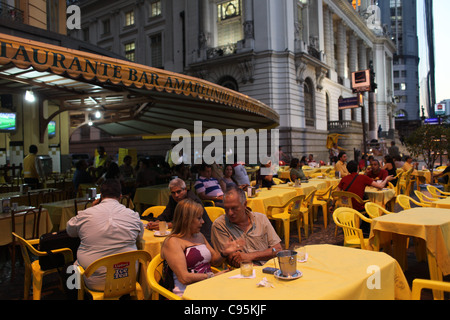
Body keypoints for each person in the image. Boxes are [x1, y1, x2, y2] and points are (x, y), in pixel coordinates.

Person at [66, 179, 144, 292]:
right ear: (120, 196)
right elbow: (139, 237)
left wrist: (92, 208)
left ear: (101, 195)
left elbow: (70, 231)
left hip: (95, 281)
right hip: (127, 278)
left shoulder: (86, 214)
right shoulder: (133, 215)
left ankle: (78, 295)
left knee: (68, 269)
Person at [160, 198, 239, 297]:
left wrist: (224, 252)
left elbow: (215, 262)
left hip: (207, 286)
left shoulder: (199, 236)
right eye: (199, 218)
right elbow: (184, 278)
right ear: (186, 220)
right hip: (187, 293)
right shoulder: (172, 242)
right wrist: (212, 276)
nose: (202, 222)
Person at [211, 186, 282, 268]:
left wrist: (250, 256)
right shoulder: (220, 225)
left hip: (269, 267)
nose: (230, 213)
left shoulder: (261, 219)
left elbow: (278, 249)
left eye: (234, 208)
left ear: (245, 204)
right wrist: (260, 270)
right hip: (243, 273)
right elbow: (234, 260)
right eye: (226, 209)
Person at [147, 178, 213, 243]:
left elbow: (185, 222)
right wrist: (156, 222)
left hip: (202, 236)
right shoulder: (173, 199)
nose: (176, 195)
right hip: (186, 235)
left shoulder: (193, 201)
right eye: (173, 193)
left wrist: (164, 225)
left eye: (179, 192)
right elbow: (165, 215)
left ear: (185, 190)